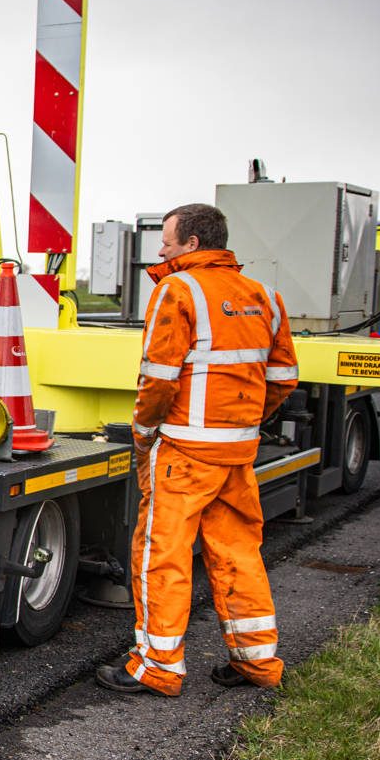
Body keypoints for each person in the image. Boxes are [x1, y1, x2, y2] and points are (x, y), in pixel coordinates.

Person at [97, 203, 299, 696]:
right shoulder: (264, 296)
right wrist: (241, 421)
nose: (161, 249)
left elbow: (159, 379)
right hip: (237, 452)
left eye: (167, 241)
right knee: (239, 553)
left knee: (159, 556)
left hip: (184, 452)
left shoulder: (178, 289)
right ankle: (256, 662)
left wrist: (143, 434)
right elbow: (283, 378)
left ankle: (157, 667)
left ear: (191, 244)